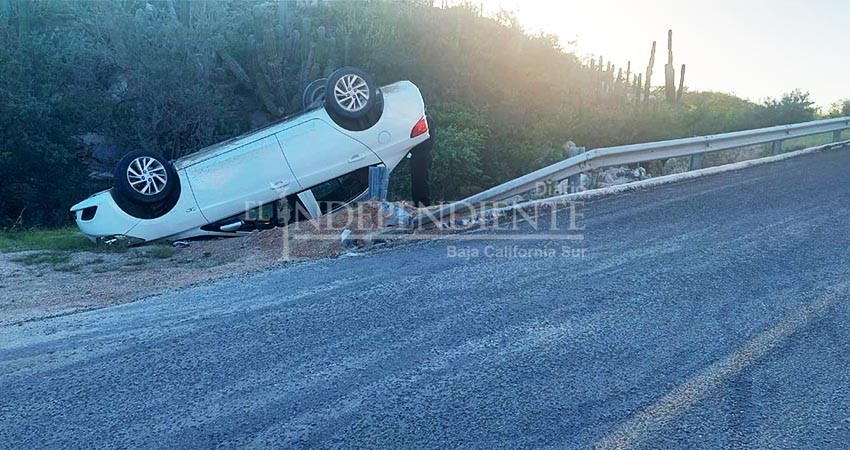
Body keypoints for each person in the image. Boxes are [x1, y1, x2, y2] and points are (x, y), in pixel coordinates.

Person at [410, 114, 433, 207]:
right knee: (416, 182)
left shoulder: (426, 120)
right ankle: (417, 203)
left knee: (422, 181)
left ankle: (424, 204)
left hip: (423, 155)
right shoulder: (420, 120)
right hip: (417, 156)